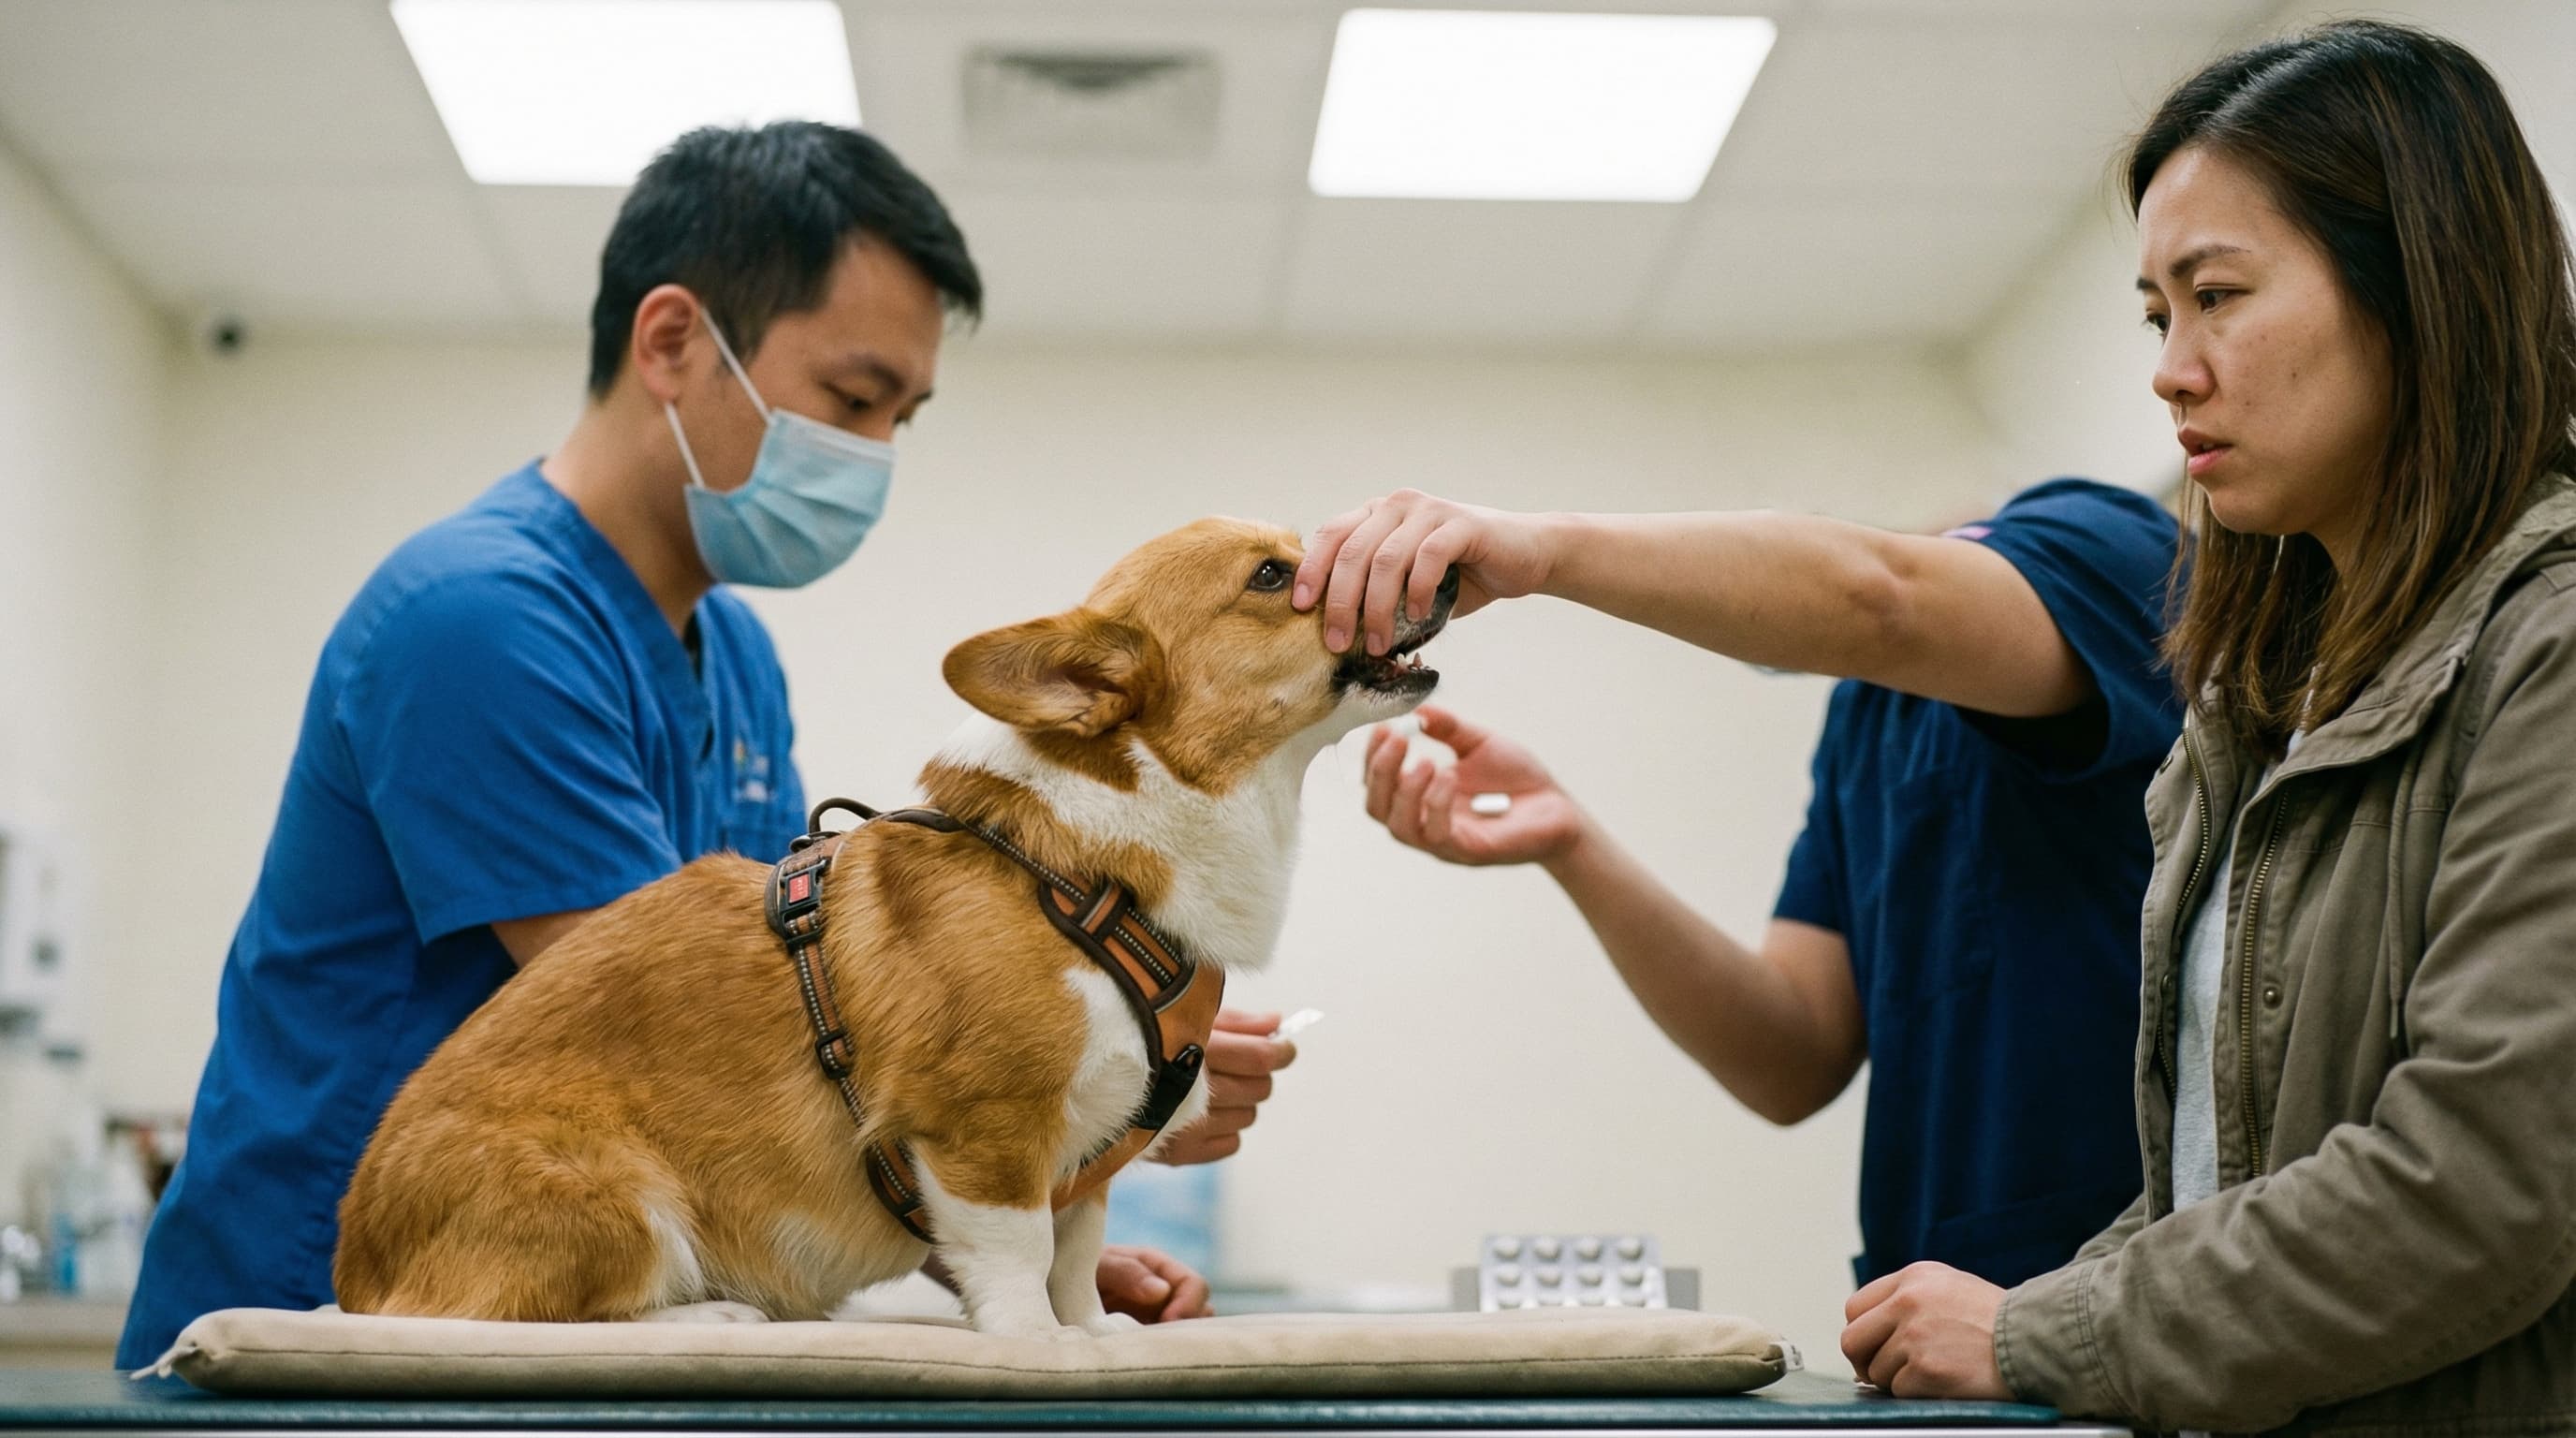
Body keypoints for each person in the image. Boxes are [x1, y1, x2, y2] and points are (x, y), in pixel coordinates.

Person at [116, 123, 1291, 1368]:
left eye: (904, 414)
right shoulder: (483, 622)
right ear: (674, 341)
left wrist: (1043, 1197)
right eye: (851, 400)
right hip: (364, 1316)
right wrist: (1071, 1084)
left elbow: (815, 1068)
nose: (877, 455)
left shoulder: (732, 656)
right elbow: (686, 1051)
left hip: (617, 1305)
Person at [1839, 22, 2576, 1433]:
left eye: (2219, 296)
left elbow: (2480, 1189)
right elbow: (2226, 1173)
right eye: (2156, 316)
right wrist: (2048, 1306)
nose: (2174, 370)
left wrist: (2043, 1327)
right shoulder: (2260, 704)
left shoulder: (2547, 648)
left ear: (2416, 288)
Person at [1304, 466, 2180, 1291]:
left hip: (2131, 1296)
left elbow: (1880, 599)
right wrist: (1571, 844)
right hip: (1933, 1314)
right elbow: (1788, 1057)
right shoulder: (1868, 717)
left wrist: (1540, 549)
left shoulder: (2107, 549)